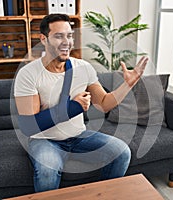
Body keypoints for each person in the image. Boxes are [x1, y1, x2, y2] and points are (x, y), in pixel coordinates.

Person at [14, 13, 148, 192]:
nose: (66, 42)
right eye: (58, 36)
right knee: (47, 171)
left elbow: (104, 104)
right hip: (45, 140)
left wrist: (128, 85)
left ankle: (102, 195)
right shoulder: (28, 74)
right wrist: (72, 108)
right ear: (43, 39)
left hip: (78, 136)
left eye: (69, 36)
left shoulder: (83, 68)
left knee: (121, 152)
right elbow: (30, 126)